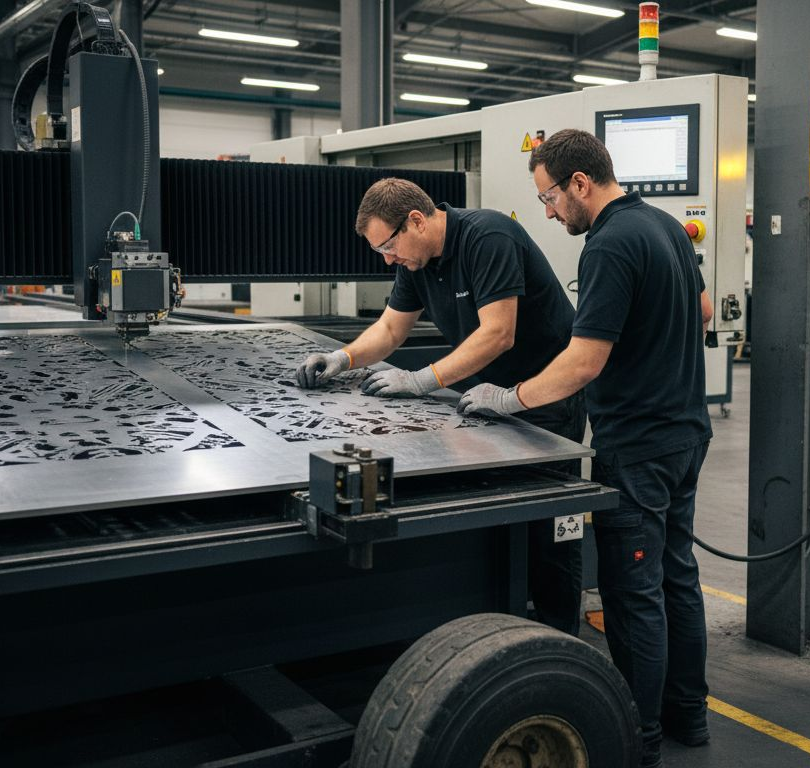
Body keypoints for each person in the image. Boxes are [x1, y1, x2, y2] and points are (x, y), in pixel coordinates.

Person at [457, 129, 713, 768]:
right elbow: (704, 310)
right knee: (677, 577)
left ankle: (641, 739)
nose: (547, 212)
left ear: (579, 183)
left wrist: (507, 398)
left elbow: (581, 363)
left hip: (638, 444)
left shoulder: (608, 245)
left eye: (549, 198)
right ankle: (690, 716)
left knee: (634, 594)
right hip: (686, 431)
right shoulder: (665, 229)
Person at [296, 177, 585, 636]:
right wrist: (342, 358)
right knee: (494, 520)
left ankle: (560, 637)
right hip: (480, 405)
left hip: (541, 401)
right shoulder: (415, 261)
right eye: (380, 252)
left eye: (388, 245)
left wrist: (420, 380)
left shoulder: (488, 237)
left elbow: (498, 333)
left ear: (416, 220)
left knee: (547, 531)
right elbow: (391, 330)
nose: (388, 258)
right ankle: (503, 619)